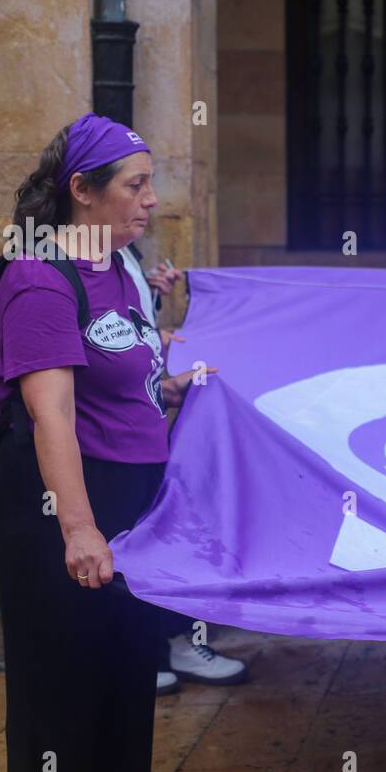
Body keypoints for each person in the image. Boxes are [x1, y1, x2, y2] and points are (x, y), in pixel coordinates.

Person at [0, 112, 213, 772]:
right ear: (83, 189)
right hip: (68, 507)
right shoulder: (39, 278)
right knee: (64, 701)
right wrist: (79, 530)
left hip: (133, 509)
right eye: (137, 185)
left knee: (124, 692)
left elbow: (129, 384)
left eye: (152, 185)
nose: (151, 199)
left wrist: (181, 387)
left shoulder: (123, 268)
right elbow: (50, 412)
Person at [117, 248, 248, 695]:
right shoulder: (69, 263)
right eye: (135, 186)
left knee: (173, 536)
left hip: (148, 429)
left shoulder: (126, 257)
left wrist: (155, 297)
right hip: (110, 439)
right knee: (131, 543)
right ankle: (142, 652)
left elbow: (132, 336)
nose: (150, 201)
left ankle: (177, 643)